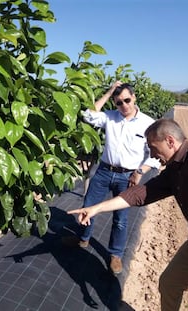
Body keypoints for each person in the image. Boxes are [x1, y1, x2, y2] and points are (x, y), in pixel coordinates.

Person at [67, 118, 188, 311]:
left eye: (153, 148)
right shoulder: (176, 169)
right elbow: (141, 194)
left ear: (170, 141)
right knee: (169, 283)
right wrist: (96, 208)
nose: (152, 156)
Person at [63, 81, 160, 275]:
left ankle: (115, 254)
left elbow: (155, 155)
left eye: (126, 100)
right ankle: (83, 238)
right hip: (104, 171)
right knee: (88, 206)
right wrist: (108, 92)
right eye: (118, 102)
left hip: (128, 176)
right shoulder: (110, 117)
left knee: (121, 219)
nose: (123, 105)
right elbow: (88, 114)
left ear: (134, 98)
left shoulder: (148, 123)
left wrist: (140, 171)